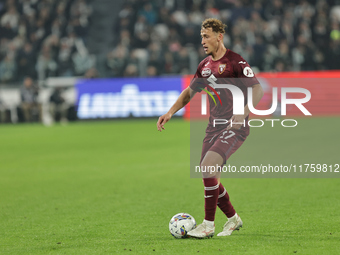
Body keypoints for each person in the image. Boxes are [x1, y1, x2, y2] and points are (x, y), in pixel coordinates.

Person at [157, 18, 264, 238]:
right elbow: (189, 92)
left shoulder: (236, 62)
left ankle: (208, 225)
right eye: (201, 37)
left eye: (206, 36)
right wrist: (169, 112)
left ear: (219, 36)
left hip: (235, 126)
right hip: (213, 127)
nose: (203, 41)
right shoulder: (204, 66)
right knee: (209, 172)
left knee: (208, 167)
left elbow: (257, 90)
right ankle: (233, 219)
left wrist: (242, 113)